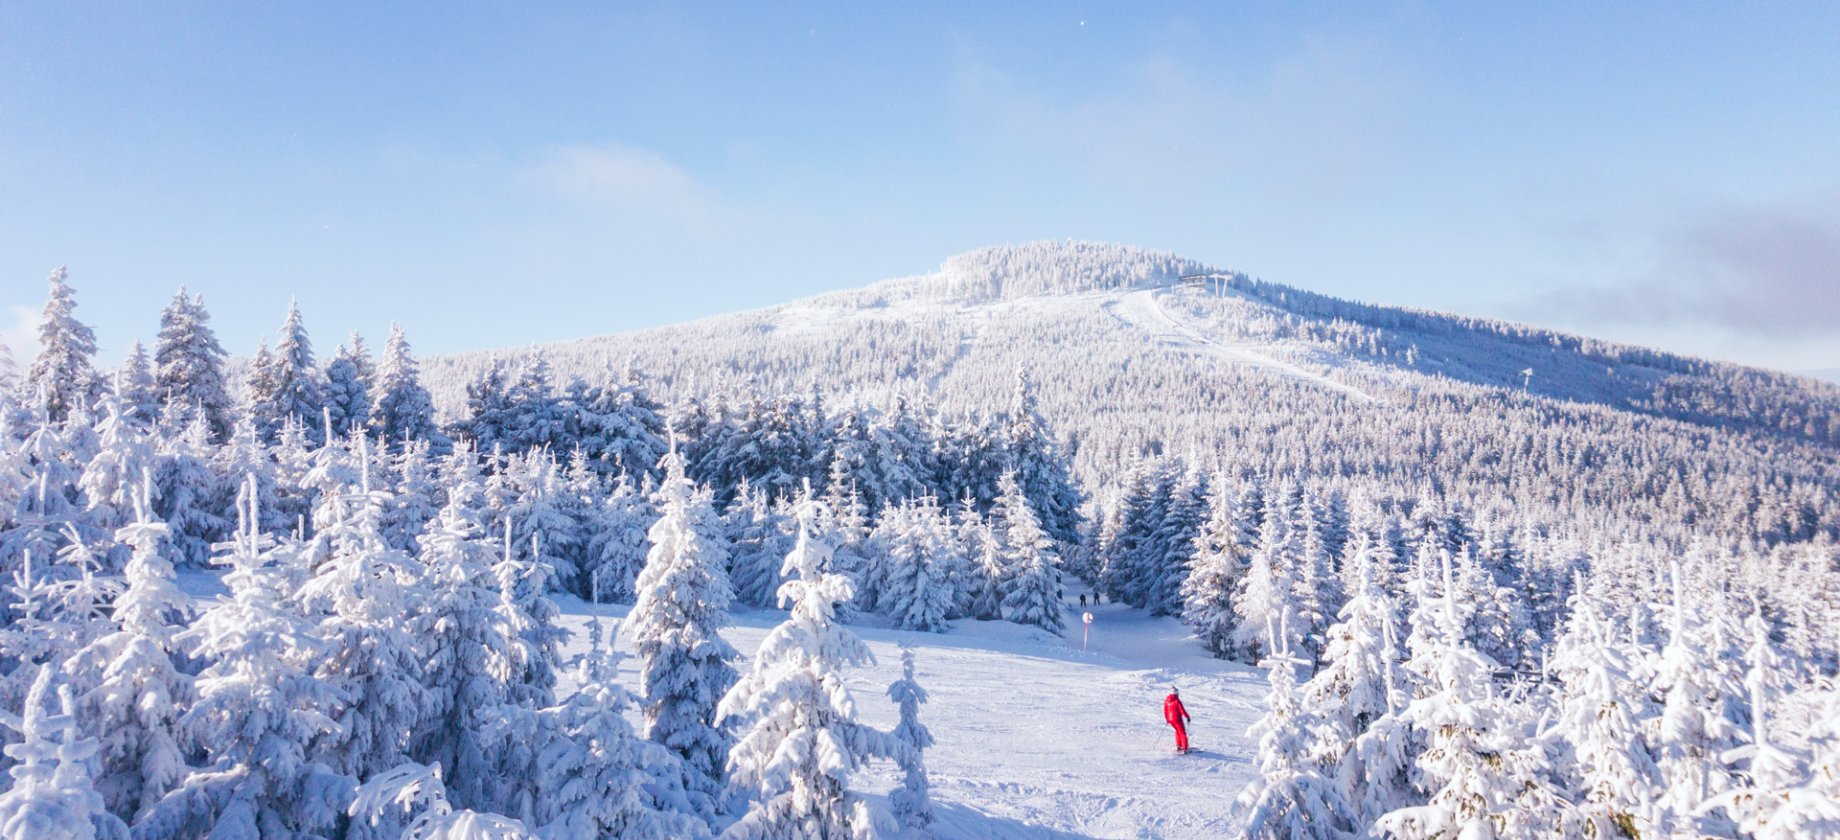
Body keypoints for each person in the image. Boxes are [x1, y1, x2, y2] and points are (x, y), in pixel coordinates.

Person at [1164, 686, 1191, 754]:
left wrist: (1167, 719)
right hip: (1177, 720)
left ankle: (1179, 745)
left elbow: (1165, 710)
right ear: (1176, 693)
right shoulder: (1177, 701)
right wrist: (1187, 717)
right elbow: (1182, 711)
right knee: (1182, 733)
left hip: (1171, 720)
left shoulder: (1167, 700)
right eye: (1178, 693)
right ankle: (1185, 748)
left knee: (1177, 731)